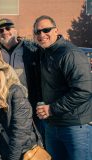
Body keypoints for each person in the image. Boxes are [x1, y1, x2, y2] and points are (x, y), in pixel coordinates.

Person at [33, 15, 92, 160]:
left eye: (46, 30)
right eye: (37, 32)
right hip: (52, 125)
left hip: (75, 127)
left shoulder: (70, 54)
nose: (42, 35)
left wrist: (52, 109)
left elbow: (84, 90)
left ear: (56, 30)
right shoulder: (44, 53)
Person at [0, 57, 37, 160]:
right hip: (3, 153)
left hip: (24, 152)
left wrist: (12, 158)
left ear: (2, 74)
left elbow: (20, 132)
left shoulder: (15, 92)